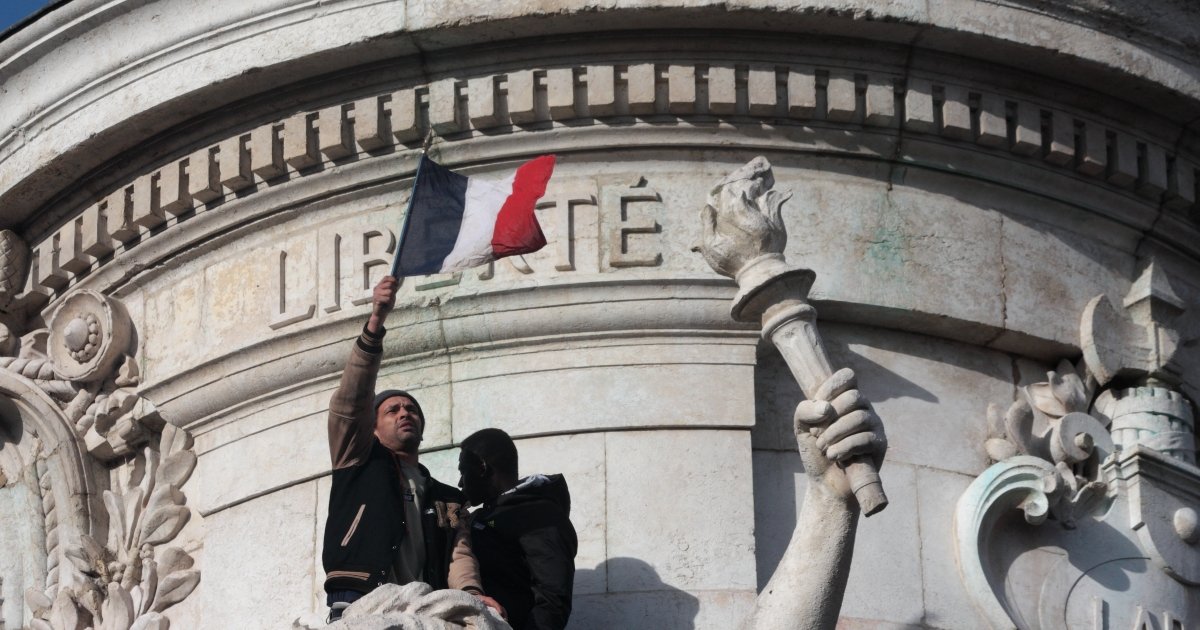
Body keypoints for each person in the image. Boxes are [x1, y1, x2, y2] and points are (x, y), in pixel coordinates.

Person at [322, 275, 502, 621]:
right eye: (393, 409)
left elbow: (459, 555)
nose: (405, 413)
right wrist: (375, 324)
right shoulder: (356, 460)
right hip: (361, 599)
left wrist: (474, 596)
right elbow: (351, 400)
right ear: (371, 427)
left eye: (412, 409)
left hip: (424, 608)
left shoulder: (449, 498)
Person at [457, 428, 578, 630]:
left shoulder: (538, 515)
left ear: (482, 468)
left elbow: (553, 598)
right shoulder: (487, 515)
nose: (461, 482)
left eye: (463, 471)